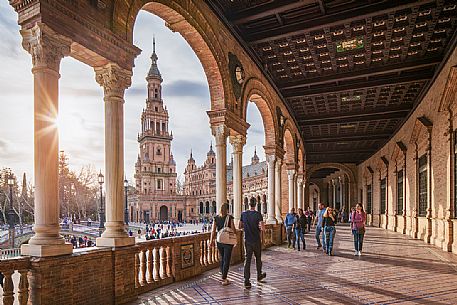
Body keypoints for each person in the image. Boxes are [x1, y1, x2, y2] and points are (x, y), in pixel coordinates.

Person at [239, 200, 266, 289]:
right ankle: (259, 275)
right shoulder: (258, 214)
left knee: (247, 260)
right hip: (256, 240)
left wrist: (246, 227)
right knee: (258, 258)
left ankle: (246, 280)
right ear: (256, 204)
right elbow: (262, 228)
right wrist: (263, 239)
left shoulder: (244, 214)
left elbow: (240, 226)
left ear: (248, 204)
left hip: (247, 240)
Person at [210, 203, 235, 286]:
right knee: (227, 259)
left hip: (219, 241)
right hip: (228, 241)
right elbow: (233, 229)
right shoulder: (229, 217)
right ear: (227, 209)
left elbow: (213, 231)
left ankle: (222, 276)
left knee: (222, 258)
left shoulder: (216, 218)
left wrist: (211, 241)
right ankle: (224, 278)